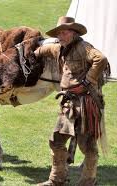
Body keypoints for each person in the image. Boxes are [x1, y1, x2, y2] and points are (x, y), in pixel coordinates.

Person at [35, 16, 109, 185]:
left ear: (73, 33)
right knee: (56, 141)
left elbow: (101, 59)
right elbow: (44, 50)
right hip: (68, 104)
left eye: (64, 32)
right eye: (59, 33)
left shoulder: (84, 47)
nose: (60, 36)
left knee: (87, 146)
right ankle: (56, 180)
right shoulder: (59, 48)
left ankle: (88, 182)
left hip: (86, 104)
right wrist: (31, 52)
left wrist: (87, 81)